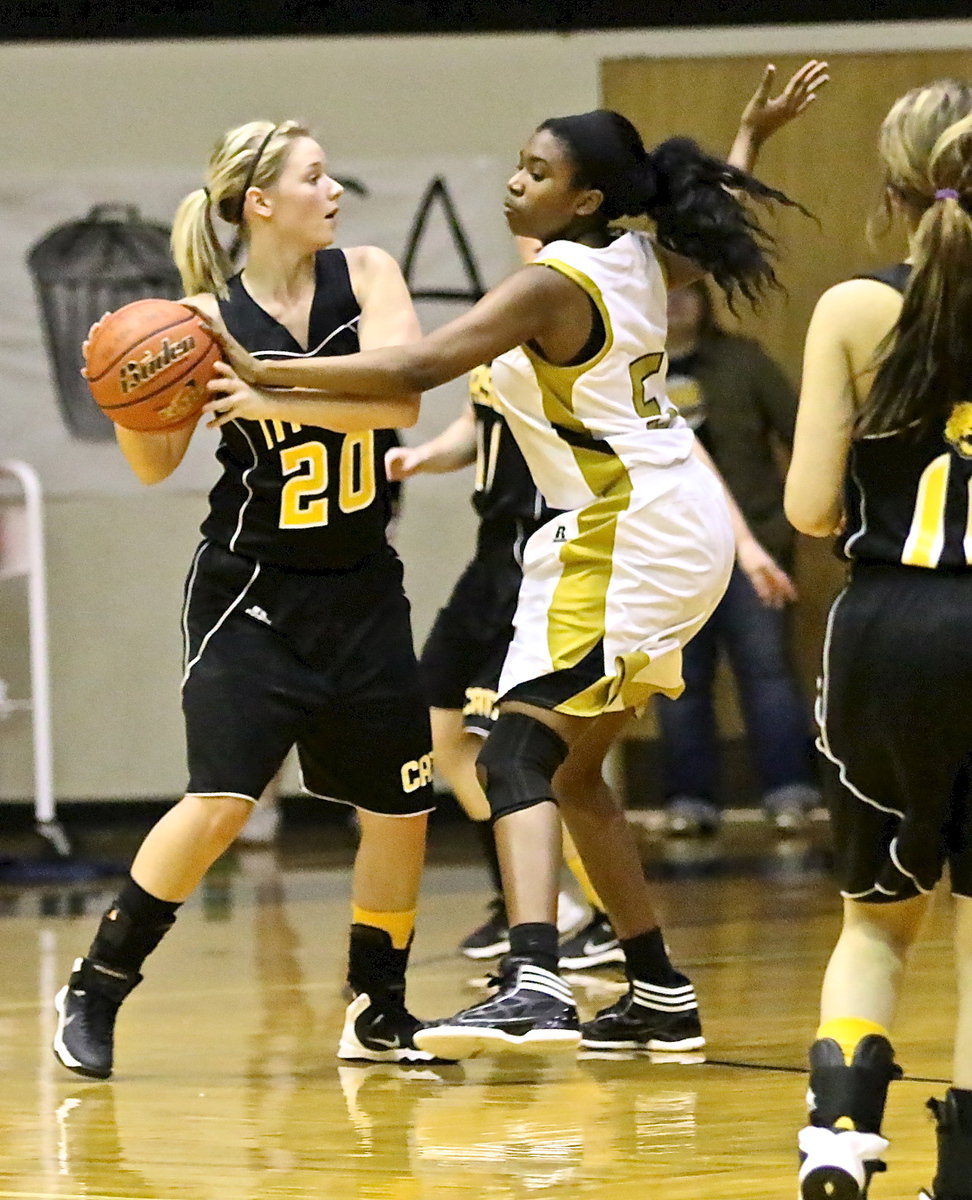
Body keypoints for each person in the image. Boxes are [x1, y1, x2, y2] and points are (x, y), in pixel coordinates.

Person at [204, 66, 823, 1061]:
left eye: (537, 172)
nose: (514, 183)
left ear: (586, 199)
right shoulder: (633, 251)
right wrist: (748, 140)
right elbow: (703, 231)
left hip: (630, 530)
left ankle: (534, 979)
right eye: (518, 166)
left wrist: (260, 369)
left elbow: (412, 367)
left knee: (510, 754)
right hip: (647, 524)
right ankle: (658, 990)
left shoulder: (554, 282)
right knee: (575, 776)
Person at [52, 120, 440, 1079]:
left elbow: (400, 401)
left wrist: (267, 392)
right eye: (316, 176)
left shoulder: (371, 275)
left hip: (361, 586)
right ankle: (95, 987)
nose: (335, 187)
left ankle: (377, 1006)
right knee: (221, 802)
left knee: (399, 808)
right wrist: (133, 395)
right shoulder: (197, 320)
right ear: (260, 202)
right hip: (251, 591)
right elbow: (154, 468)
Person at [785, 78, 972, 1200]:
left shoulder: (853, 308)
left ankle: (840, 1141)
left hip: (891, 629)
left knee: (876, 923)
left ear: (896, 188)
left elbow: (811, 509)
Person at [654, 278, 820, 837]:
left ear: (705, 300)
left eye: (687, 292)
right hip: (669, 552)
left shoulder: (743, 362)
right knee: (679, 680)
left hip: (758, 542)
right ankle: (689, 800)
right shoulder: (631, 367)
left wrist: (807, 509)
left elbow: (801, 431)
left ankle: (790, 791)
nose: (677, 303)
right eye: (665, 293)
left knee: (767, 670)